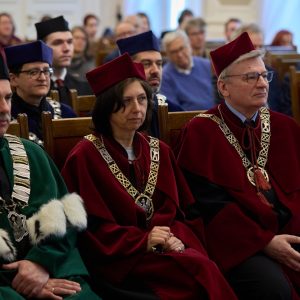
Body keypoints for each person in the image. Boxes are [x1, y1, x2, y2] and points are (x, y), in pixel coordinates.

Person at [61, 53, 237, 300]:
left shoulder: (159, 150)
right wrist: (143, 240)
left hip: (166, 247)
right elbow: (90, 229)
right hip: (120, 260)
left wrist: (175, 238)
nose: (137, 109)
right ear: (107, 106)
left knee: (204, 268)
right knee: (197, 277)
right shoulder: (85, 156)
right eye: (127, 101)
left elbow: (184, 212)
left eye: (142, 99)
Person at [177, 32, 300, 299]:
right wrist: (265, 242)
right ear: (223, 87)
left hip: (291, 231)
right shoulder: (201, 132)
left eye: (265, 75)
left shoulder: (285, 126)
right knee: (274, 289)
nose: (262, 83)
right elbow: (209, 206)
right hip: (239, 244)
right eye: (250, 77)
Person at [0, 51, 99, 299]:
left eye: (8, 98)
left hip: (51, 266)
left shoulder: (31, 153)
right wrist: (23, 281)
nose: (4, 109)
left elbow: (66, 215)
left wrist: (41, 264)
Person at [4, 40, 76, 146]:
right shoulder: (5, 119)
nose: (42, 78)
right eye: (33, 72)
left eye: (46, 71)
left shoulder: (66, 113)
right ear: (13, 79)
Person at [117, 30, 180, 137]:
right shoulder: (112, 110)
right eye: (146, 64)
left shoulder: (172, 110)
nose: (155, 70)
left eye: (159, 64)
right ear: (128, 68)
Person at [35, 16, 93, 106]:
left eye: (70, 42)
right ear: (42, 48)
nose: (66, 49)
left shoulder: (85, 87)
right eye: (58, 43)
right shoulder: (34, 91)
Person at [161, 30, 214, 111]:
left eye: (181, 48)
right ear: (168, 54)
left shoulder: (207, 65)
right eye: (174, 52)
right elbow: (174, 112)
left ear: (189, 46)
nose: (179, 55)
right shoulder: (165, 75)